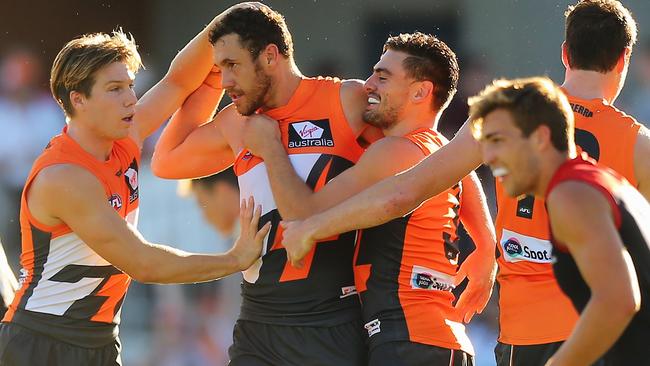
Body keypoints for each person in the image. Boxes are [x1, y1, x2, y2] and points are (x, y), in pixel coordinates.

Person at [279, 1, 650, 364]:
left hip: (527, 335)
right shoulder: (638, 145)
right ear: (623, 59)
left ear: (565, 54)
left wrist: (313, 226)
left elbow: (407, 189)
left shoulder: (506, 114)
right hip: (601, 337)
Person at [0, 28, 271, 365]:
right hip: (44, 343)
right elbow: (143, 262)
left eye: (130, 85)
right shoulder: (65, 176)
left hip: (98, 341)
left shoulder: (123, 138)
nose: (131, 98)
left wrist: (223, 28)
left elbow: (177, 82)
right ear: (78, 99)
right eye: (115, 89)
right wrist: (234, 259)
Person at [152, 3, 383, 365]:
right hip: (257, 322)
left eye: (233, 66)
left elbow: (420, 152)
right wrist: (210, 81)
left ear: (271, 56)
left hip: (330, 321)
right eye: (219, 68)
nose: (225, 80)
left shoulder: (347, 100)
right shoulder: (236, 123)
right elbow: (165, 161)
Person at [247, 32, 495, 365]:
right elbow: (463, 171)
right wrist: (485, 246)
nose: (367, 85)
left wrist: (270, 147)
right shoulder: (438, 150)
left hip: (409, 341)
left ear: (420, 91)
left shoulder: (393, 152)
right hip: (428, 339)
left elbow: (301, 214)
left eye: (382, 77)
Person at [470, 76, 650, 366]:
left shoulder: (571, 194)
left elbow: (620, 300)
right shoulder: (589, 180)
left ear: (541, 137)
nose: (488, 157)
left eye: (498, 141)